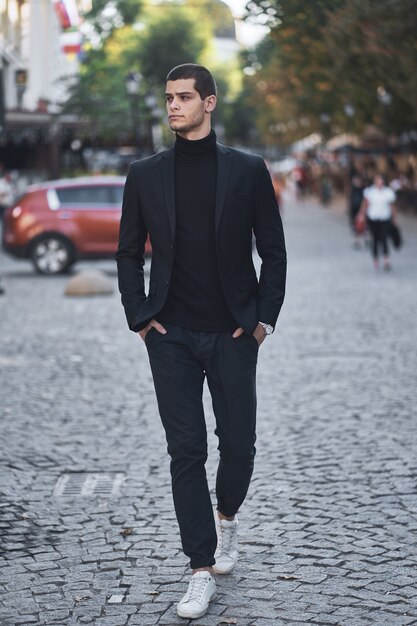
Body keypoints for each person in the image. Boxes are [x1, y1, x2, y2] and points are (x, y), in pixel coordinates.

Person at [116, 63, 287, 620]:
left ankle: (228, 517)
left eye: (184, 97)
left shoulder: (247, 170)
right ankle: (199, 567)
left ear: (209, 103)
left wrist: (264, 320)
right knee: (185, 451)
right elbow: (127, 252)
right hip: (169, 336)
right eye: (168, 98)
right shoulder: (144, 174)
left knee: (239, 445)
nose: (173, 106)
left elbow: (274, 251)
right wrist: (138, 316)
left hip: (235, 333)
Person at [359, 174, 396, 270]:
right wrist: (362, 215)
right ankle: (375, 259)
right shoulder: (369, 192)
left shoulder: (388, 192)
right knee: (375, 239)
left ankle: (386, 259)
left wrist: (394, 219)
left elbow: (392, 206)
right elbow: (365, 204)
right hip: (373, 218)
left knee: (384, 238)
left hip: (384, 218)